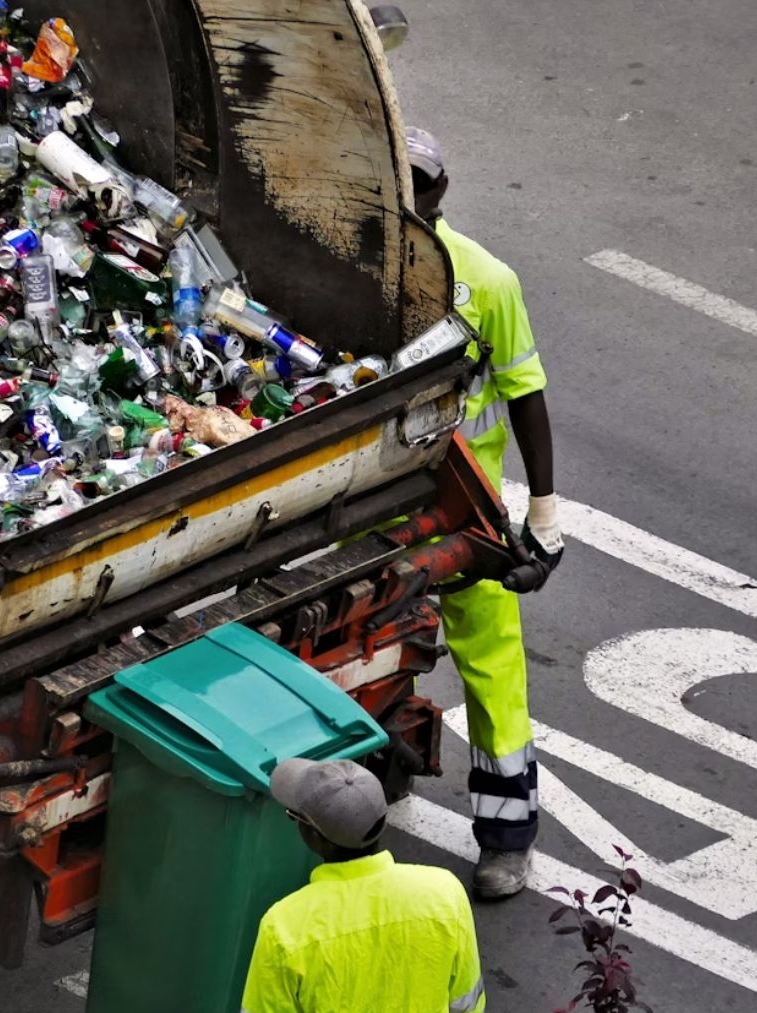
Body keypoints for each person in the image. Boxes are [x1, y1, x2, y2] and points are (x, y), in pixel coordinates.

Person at [405, 125, 563, 899]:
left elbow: (526, 393)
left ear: (442, 190)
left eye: (419, 181)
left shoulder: (488, 281)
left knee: (493, 669)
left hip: (463, 508)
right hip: (372, 502)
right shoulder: (348, 262)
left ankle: (507, 839)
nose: (408, 194)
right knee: (367, 642)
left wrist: (545, 513)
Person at [241, 758, 486, 1013]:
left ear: (314, 836)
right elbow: (467, 1001)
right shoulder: (445, 893)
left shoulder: (284, 928)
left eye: (295, 817)